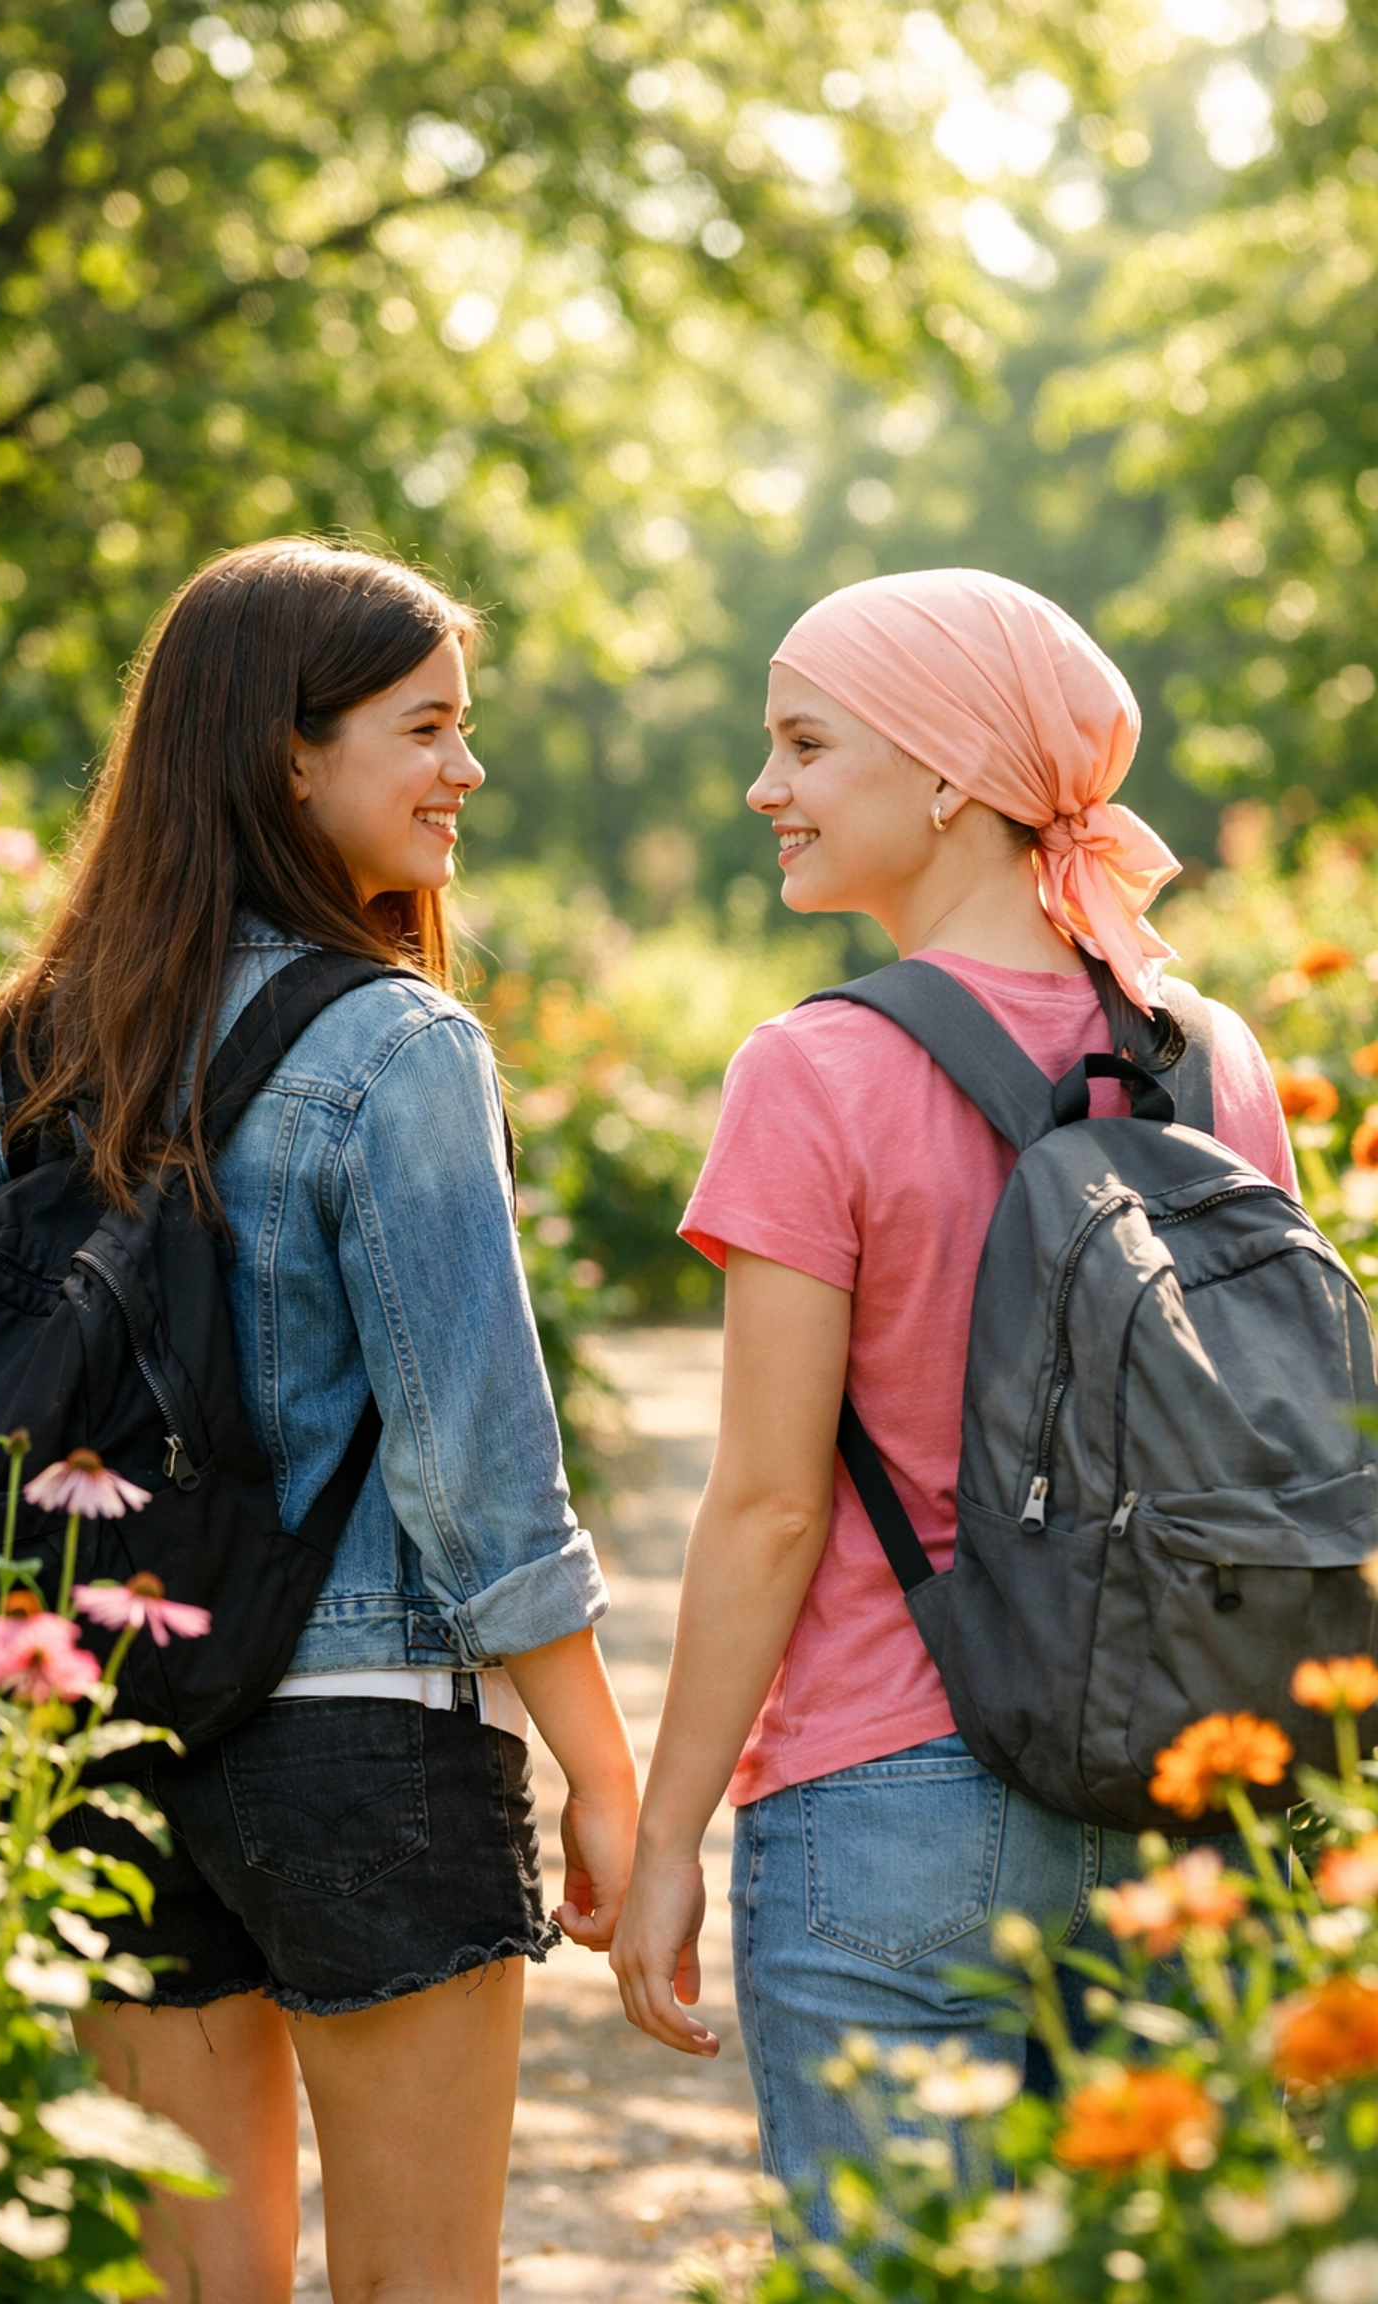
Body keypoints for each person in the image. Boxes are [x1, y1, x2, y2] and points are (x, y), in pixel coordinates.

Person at [0, 540, 640, 2304]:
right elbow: (475, 1469)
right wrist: (610, 1775)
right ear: (286, 752)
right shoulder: (396, 1045)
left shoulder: (21, 1047)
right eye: (427, 726)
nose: (466, 769)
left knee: (193, 2291)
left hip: (97, 1733)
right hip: (364, 1732)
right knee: (414, 2287)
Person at [608, 568, 1295, 2208]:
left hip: (892, 1786)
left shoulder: (815, 1068)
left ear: (945, 773)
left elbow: (772, 1506)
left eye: (804, 744)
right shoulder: (1211, 1052)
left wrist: (663, 1844)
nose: (765, 789)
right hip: (1182, 1795)